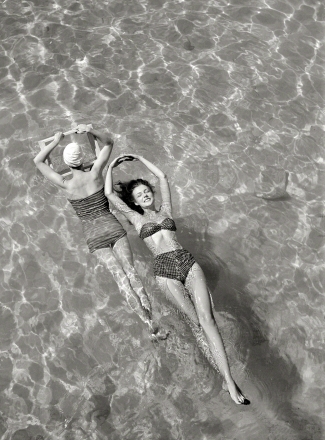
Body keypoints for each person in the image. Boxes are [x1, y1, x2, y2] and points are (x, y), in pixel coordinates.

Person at [105, 153, 248, 405]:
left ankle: (228, 379)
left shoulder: (167, 210)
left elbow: (162, 177)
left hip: (188, 263)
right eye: (139, 195)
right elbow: (109, 195)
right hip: (164, 271)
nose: (145, 195)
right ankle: (226, 380)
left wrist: (139, 157)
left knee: (208, 320)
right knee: (195, 324)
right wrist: (111, 165)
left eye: (146, 191)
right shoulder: (136, 218)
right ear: (135, 202)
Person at [33, 125, 167, 340]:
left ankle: (147, 323)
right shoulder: (96, 174)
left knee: (120, 278)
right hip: (113, 228)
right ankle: (152, 317)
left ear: (68, 164)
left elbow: (38, 161)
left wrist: (55, 141)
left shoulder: (65, 184)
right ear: (80, 159)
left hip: (94, 236)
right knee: (131, 273)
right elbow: (109, 142)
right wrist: (90, 130)